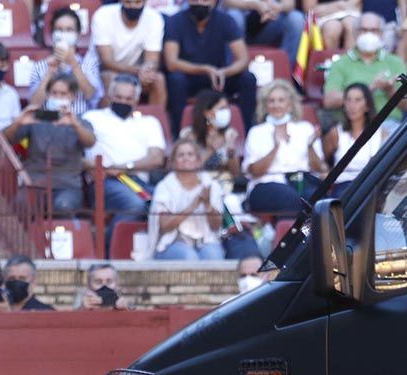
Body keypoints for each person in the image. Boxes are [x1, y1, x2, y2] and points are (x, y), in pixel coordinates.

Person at [82, 74, 167, 247]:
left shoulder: (149, 122)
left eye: (128, 98)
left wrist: (123, 168)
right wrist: (94, 166)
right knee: (134, 204)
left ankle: (160, 251)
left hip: (140, 182)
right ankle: (110, 253)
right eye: (119, 97)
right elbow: (77, 155)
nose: (123, 102)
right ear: (110, 96)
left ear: (136, 100)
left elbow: (157, 159)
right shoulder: (92, 118)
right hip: (106, 182)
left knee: (169, 200)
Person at [5, 75, 96, 217]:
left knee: (63, 207)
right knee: (20, 205)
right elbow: (5, 139)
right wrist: (18, 123)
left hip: (67, 185)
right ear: (48, 95)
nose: (58, 97)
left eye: (63, 94)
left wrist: (75, 125)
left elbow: (90, 142)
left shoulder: (80, 122)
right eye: (54, 93)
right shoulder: (34, 118)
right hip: (35, 183)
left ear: (72, 96)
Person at [163, 0, 258, 133]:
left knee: (248, 78)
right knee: (175, 79)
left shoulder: (225, 20)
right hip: (189, 77)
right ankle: (178, 133)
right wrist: (205, 69)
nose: (200, 3)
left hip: (218, 78)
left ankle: (247, 131)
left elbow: (243, 59)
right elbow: (171, 63)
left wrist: (225, 72)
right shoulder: (175, 21)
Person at [242, 79, 323, 215]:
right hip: (266, 186)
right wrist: (275, 147)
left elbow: (319, 168)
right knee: (289, 198)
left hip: (301, 183)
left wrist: (310, 147)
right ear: (265, 105)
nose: (276, 105)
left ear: (290, 104)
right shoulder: (257, 132)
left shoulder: (305, 129)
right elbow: (253, 171)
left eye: (281, 100)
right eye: (271, 101)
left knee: (320, 199)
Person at [324, 13, 407, 124]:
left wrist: (390, 90)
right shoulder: (340, 63)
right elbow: (329, 101)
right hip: (352, 127)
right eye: (364, 30)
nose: (369, 34)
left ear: (381, 33)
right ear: (355, 33)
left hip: (389, 124)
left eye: (374, 30)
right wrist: (368, 89)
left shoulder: (395, 62)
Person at [148, 138, 225, 261]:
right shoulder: (165, 186)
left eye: (190, 154)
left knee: (214, 256)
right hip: (173, 242)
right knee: (190, 258)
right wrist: (193, 206)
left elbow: (216, 226)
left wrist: (207, 204)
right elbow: (164, 226)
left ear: (199, 161)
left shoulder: (210, 185)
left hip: (205, 241)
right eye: (181, 155)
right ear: (173, 162)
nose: (186, 158)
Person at [27, 9, 102, 118]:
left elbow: (90, 94)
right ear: (53, 34)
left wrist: (74, 64)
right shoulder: (39, 67)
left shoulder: (89, 64)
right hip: (47, 122)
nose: (64, 34)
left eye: (69, 30)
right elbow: (34, 104)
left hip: (79, 123)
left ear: (79, 34)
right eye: (59, 30)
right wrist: (50, 72)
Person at [91, 0, 166, 108]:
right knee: (111, 78)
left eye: (137, 2)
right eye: (128, 2)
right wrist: (139, 70)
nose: (132, 6)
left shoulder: (154, 17)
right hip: (105, 69)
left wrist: (148, 69)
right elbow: (107, 61)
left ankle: (154, 121)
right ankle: (109, 122)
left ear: (145, 2)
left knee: (158, 79)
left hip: (136, 71)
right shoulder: (103, 15)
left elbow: (152, 59)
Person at [321, 82, 386, 196]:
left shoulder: (381, 133)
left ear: (367, 105)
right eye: (348, 100)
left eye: (357, 100)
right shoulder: (335, 133)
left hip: (371, 185)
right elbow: (325, 161)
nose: (352, 105)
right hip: (343, 186)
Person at [222, 0, 304, 70]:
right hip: (241, 28)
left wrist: (277, 7)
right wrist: (255, 5)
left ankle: (285, 74)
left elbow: (290, 3)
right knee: (234, 15)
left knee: (296, 18)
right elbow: (226, 2)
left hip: (271, 24)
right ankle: (232, 72)